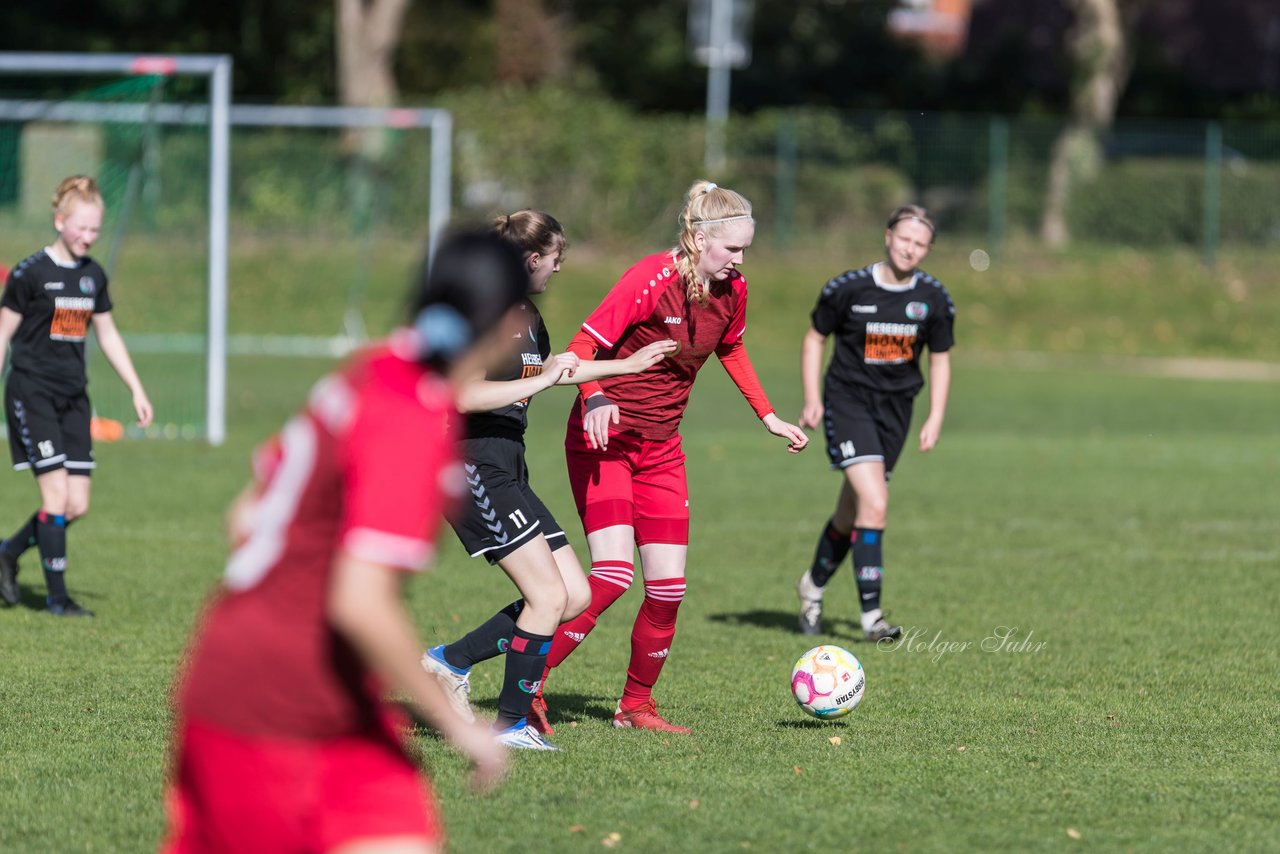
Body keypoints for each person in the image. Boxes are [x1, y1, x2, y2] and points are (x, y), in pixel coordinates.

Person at [161, 232, 530, 854]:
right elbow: (359, 601)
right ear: (510, 324)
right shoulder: (408, 415)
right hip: (266, 707)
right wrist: (458, 728)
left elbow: (243, 515)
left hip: (333, 703)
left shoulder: (375, 366)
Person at [531, 180, 809, 735]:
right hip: (604, 441)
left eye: (745, 250)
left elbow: (729, 346)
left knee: (668, 589)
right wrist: (596, 396)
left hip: (662, 449)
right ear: (698, 238)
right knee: (611, 577)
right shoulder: (648, 279)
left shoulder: (734, 291)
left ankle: (635, 707)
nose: (739, 261)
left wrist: (768, 416)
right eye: (731, 249)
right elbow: (580, 350)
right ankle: (527, 688)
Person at [421, 210, 676, 750]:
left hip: (507, 463)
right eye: (556, 259)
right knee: (544, 595)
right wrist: (522, 390)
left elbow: (556, 368)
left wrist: (625, 367)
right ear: (531, 258)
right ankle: (510, 725)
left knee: (574, 595)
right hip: (472, 463)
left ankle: (451, 662)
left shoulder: (527, 315)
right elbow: (462, 395)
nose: (558, 270)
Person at [794, 205, 955, 640]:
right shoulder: (848, 288)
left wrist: (936, 415)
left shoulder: (935, 299)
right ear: (887, 236)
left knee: (853, 512)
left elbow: (940, 359)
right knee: (877, 503)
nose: (911, 248)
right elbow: (814, 337)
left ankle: (811, 587)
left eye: (920, 244)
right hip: (848, 404)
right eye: (905, 239)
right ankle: (872, 619)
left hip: (895, 413)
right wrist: (812, 397)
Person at [0, 176, 153, 616]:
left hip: (73, 398)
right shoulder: (30, 274)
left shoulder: (93, 276)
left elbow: (107, 334)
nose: (88, 238)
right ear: (59, 220)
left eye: (95, 230)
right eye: (81, 228)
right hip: (31, 392)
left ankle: (8, 553)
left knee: (77, 504)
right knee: (55, 499)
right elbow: (4, 332)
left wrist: (136, 388)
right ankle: (57, 599)